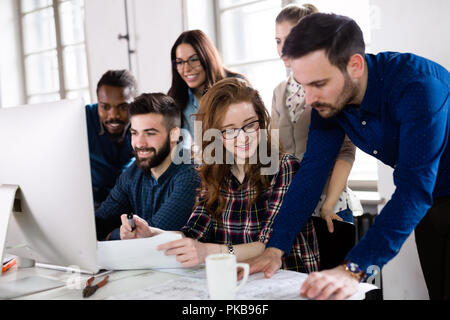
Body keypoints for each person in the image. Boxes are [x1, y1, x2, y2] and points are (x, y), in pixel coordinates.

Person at [248, 13, 450, 300]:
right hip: (431, 204)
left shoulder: (418, 87)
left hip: (424, 192)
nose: (309, 98)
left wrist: (353, 269)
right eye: (303, 85)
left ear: (354, 65)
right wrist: (275, 248)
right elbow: (313, 171)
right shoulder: (329, 101)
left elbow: (413, 190)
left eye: (318, 84)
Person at [120, 78, 320, 274]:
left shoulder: (285, 167)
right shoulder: (215, 173)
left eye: (250, 125)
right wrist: (152, 234)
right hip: (238, 278)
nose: (242, 137)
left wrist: (208, 251)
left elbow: (269, 245)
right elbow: (193, 233)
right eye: (230, 130)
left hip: (284, 276)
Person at [273, 4, 360, 231]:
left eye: (289, 39)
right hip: (292, 205)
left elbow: (346, 152)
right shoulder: (280, 91)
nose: (283, 49)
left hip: (330, 206)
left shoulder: (331, 85)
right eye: (277, 41)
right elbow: (274, 150)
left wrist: (329, 205)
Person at [95, 93, 201, 241]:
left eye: (150, 133)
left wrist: (110, 236)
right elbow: (98, 224)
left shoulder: (191, 173)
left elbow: (152, 235)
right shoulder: (132, 174)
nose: (139, 143)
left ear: (174, 134)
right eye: (134, 133)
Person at [168, 29, 246, 149]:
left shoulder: (236, 85)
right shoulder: (176, 98)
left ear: (207, 57)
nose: (186, 69)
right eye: (180, 62)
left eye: (193, 60)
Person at [85, 70, 137, 209]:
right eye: (105, 107)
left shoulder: (142, 122)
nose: (113, 115)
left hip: (128, 199)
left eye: (122, 107)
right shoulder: (82, 119)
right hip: (90, 200)